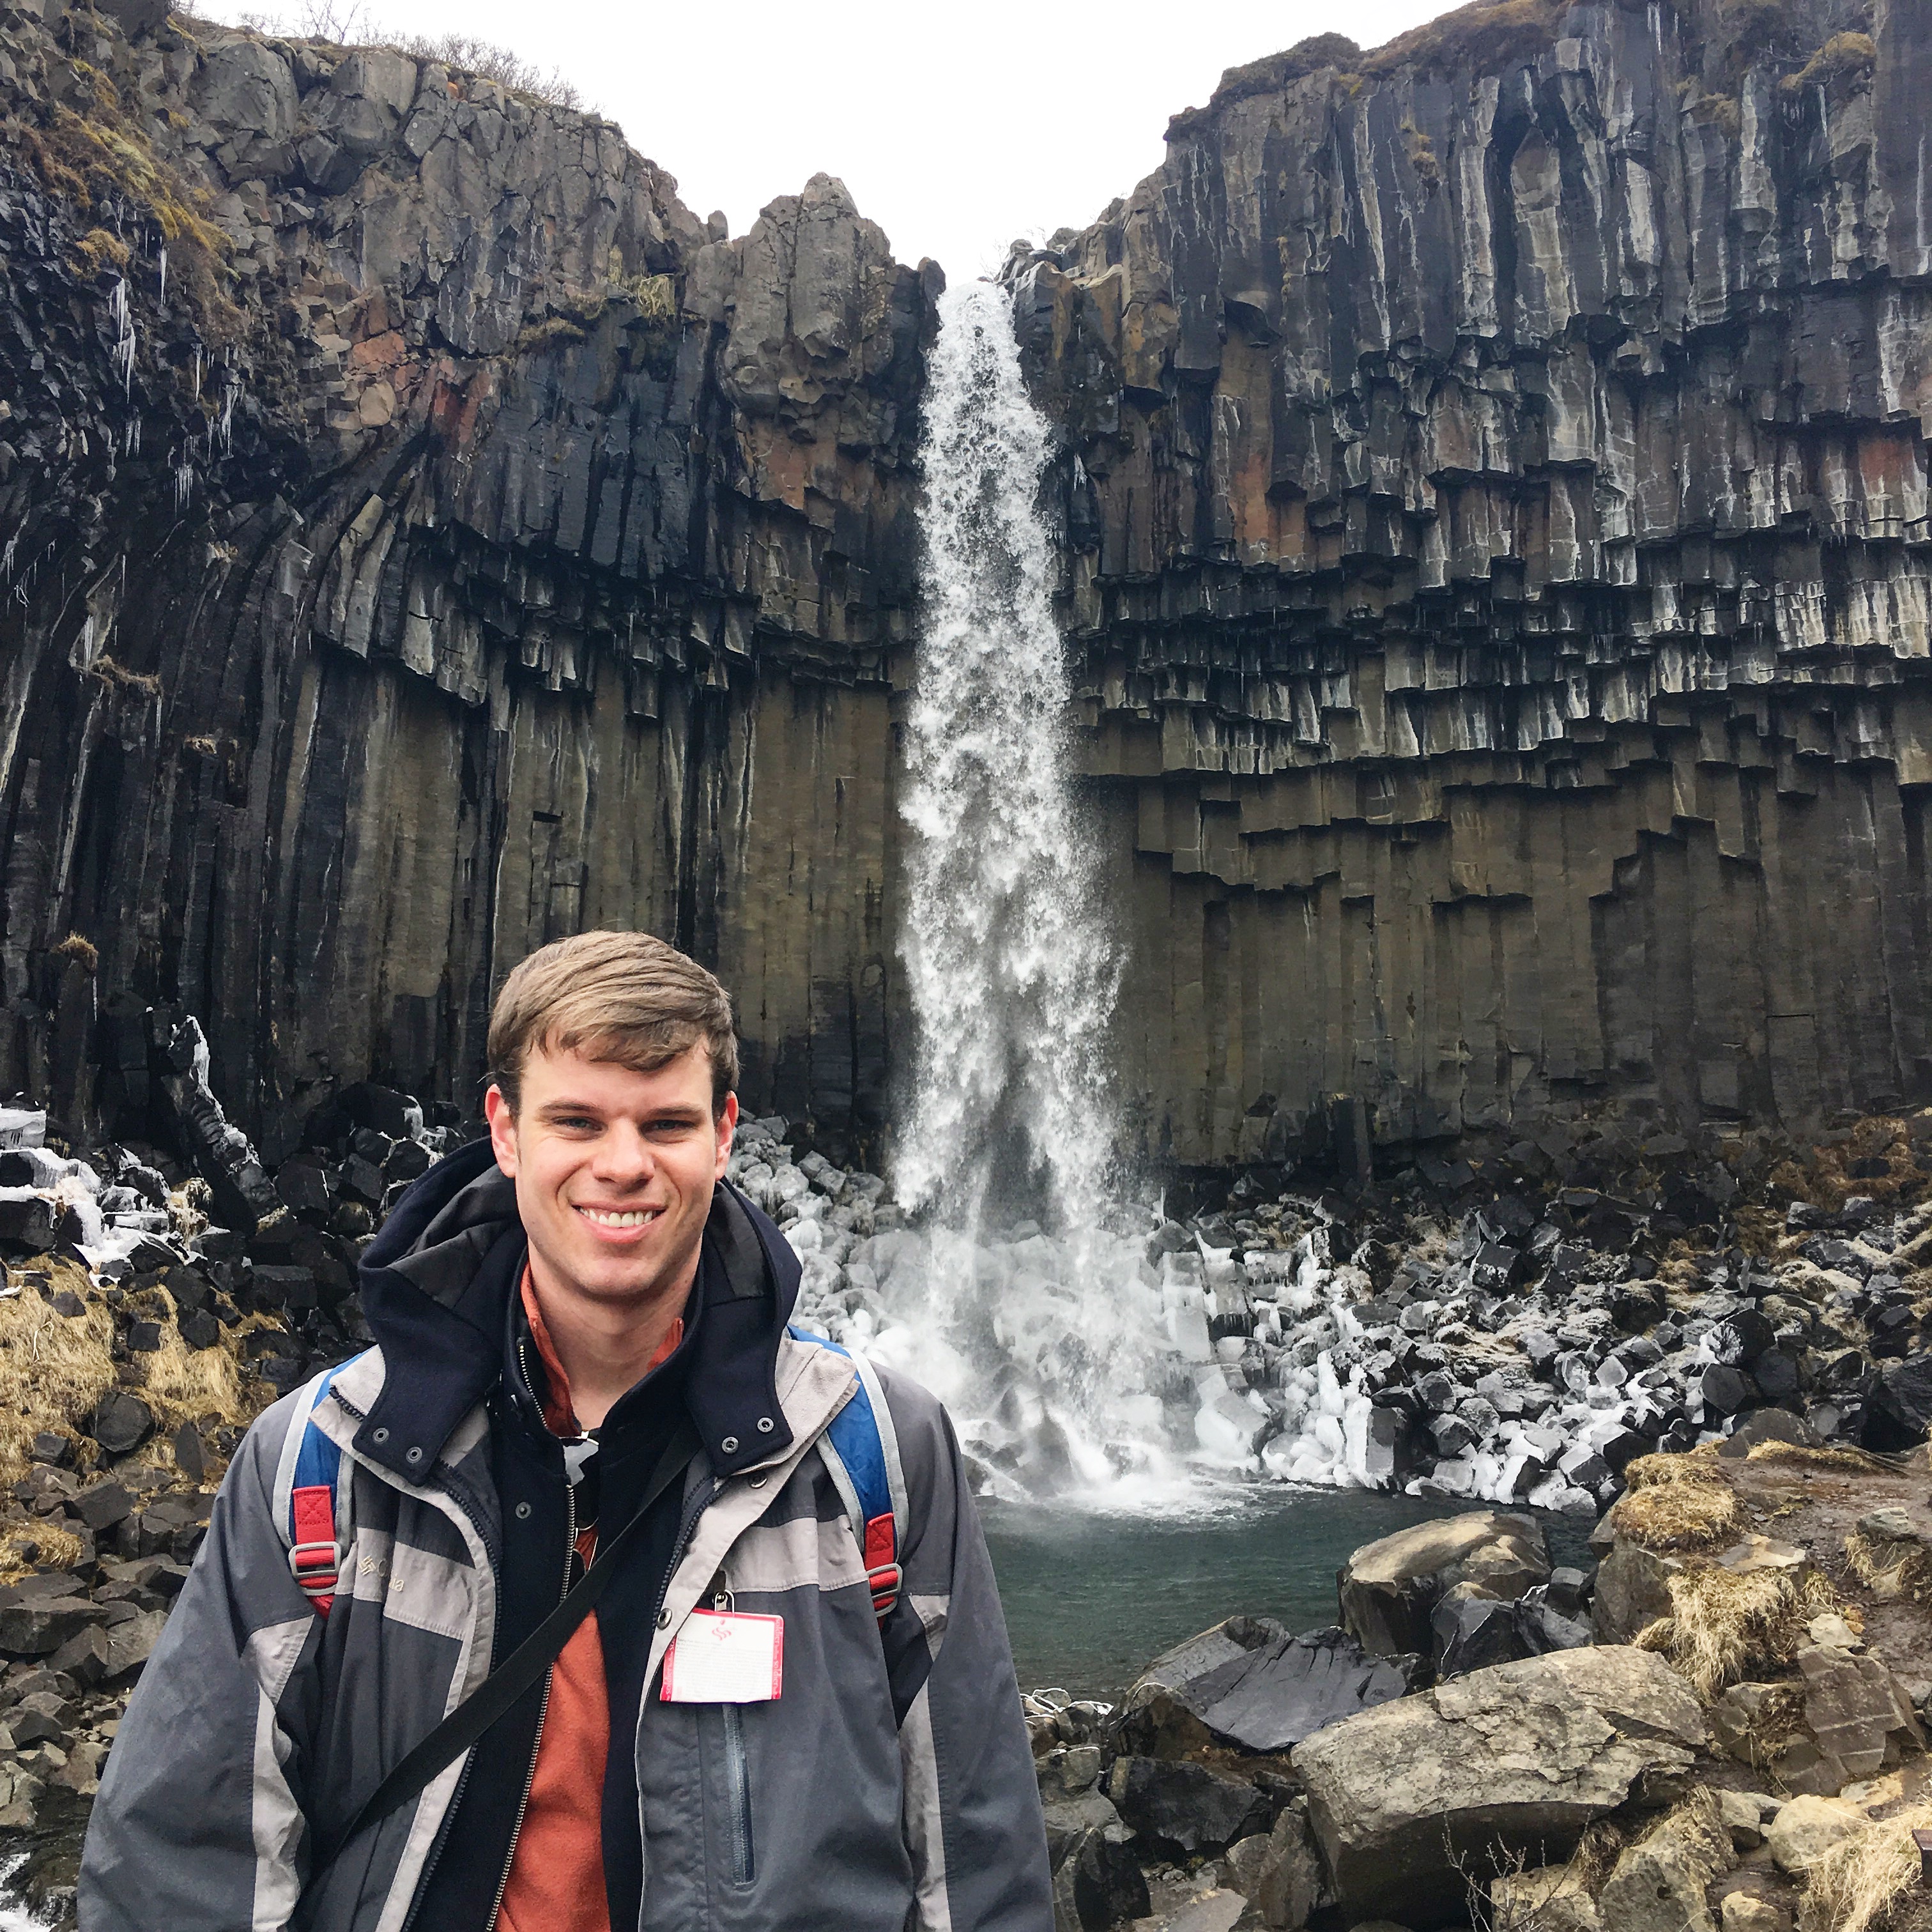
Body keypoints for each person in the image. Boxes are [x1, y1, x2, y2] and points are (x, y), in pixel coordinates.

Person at [79, 930, 1052, 1931]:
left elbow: (976, 1856)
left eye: (665, 1124)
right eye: (578, 1120)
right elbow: (182, 1862)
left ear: (724, 1134)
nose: (622, 1165)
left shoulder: (879, 1452)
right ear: (505, 1131)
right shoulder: (320, 1460)